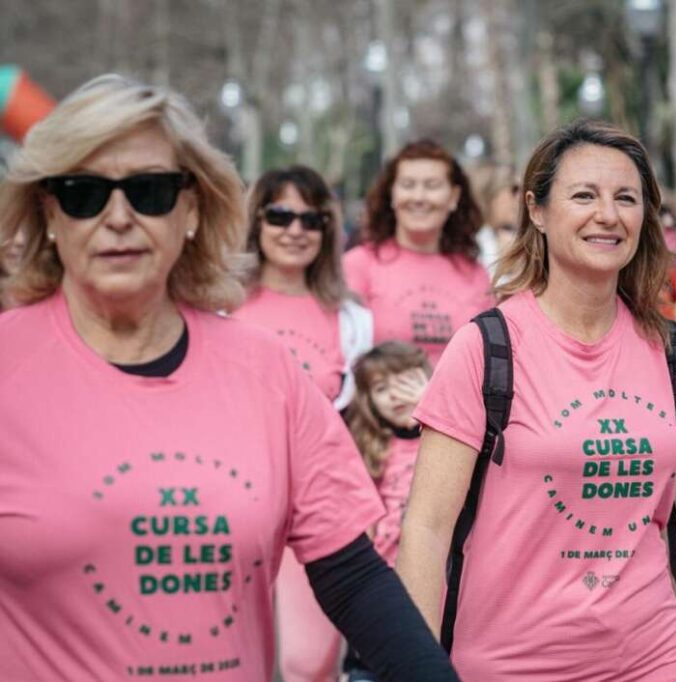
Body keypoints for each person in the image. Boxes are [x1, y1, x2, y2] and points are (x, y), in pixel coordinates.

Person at [0, 74, 456, 682]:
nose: (117, 217)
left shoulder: (266, 371)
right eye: (83, 192)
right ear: (49, 214)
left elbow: (352, 575)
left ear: (191, 209)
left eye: (150, 191)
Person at [396, 119, 676, 681]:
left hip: (653, 655)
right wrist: (414, 667)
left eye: (625, 198)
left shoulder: (669, 349)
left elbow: (670, 516)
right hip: (513, 663)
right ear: (536, 210)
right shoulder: (486, 348)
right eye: (584, 195)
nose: (607, 214)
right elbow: (427, 528)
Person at [233, 166, 373, 682]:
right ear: (257, 222)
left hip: (312, 516)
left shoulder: (354, 319)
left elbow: (361, 427)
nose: (295, 230)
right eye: (280, 215)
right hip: (232, 509)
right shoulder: (218, 306)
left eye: (311, 219)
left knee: (307, 663)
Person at [344, 140, 494, 366]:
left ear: (453, 197)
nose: (419, 197)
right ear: (392, 194)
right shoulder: (357, 265)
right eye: (407, 184)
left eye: (432, 185)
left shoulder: (475, 273)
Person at [342, 341, 432, 681]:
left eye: (406, 380)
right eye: (381, 388)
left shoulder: (447, 440)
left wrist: (435, 405)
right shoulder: (367, 449)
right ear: (368, 401)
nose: (395, 394)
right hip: (382, 589)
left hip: (434, 586)